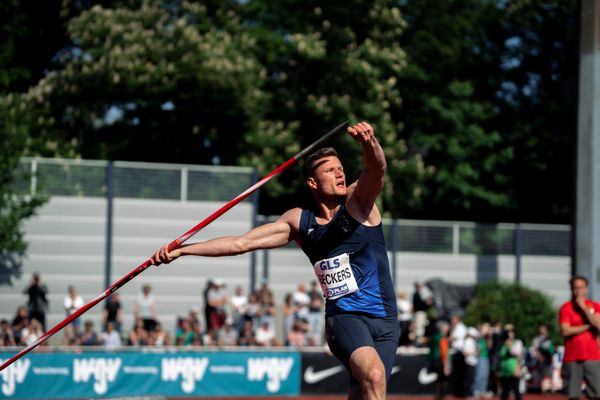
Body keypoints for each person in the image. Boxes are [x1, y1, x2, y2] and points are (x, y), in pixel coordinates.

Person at [151, 121, 398, 399]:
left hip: (387, 320)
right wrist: (183, 249)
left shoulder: (358, 201)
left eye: (340, 168)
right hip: (345, 318)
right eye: (330, 170)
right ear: (313, 182)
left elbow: (376, 169)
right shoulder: (299, 222)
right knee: (374, 376)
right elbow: (240, 243)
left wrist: (369, 142)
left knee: (366, 390)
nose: (339, 173)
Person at [559, 275, 600, 399]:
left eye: (581, 288)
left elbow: (598, 324)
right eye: (575, 288)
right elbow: (565, 330)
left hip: (593, 356)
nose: (578, 291)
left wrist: (584, 308)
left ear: (586, 289)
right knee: (573, 394)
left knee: (597, 393)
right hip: (572, 356)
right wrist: (586, 326)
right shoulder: (566, 308)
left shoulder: (594, 306)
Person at [497, 325, 523, 400]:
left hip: (513, 369)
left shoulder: (517, 342)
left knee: (516, 391)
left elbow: (518, 354)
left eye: (511, 332)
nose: (509, 334)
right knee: (504, 392)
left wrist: (517, 368)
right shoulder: (501, 343)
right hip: (504, 371)